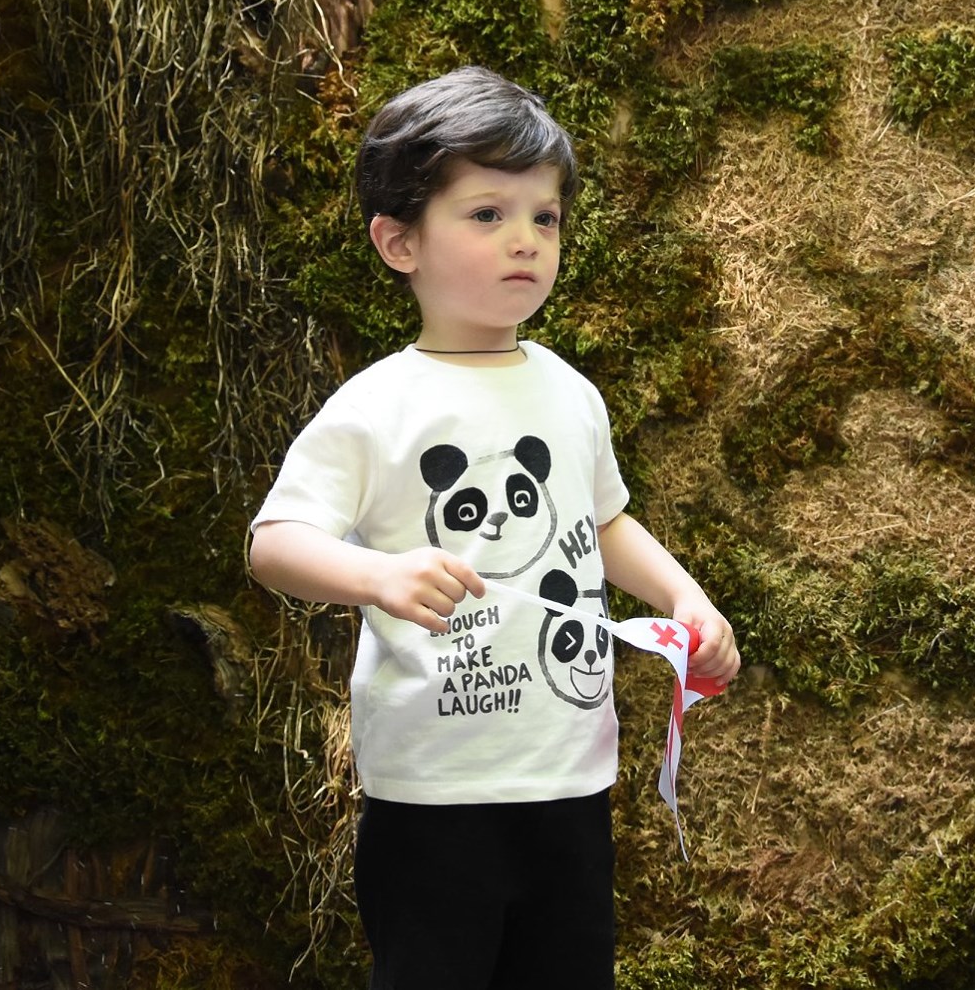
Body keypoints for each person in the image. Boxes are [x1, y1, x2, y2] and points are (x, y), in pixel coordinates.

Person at [248, 65, 739, 990]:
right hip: (433, 794)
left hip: (569, 779)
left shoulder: (569, 392)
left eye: (544, 218)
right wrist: (376, 576)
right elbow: (274, 541)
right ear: (399, 241)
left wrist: (685, 598)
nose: (526, 240)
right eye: (487, 214)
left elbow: (603, 522)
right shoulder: (378, 406)